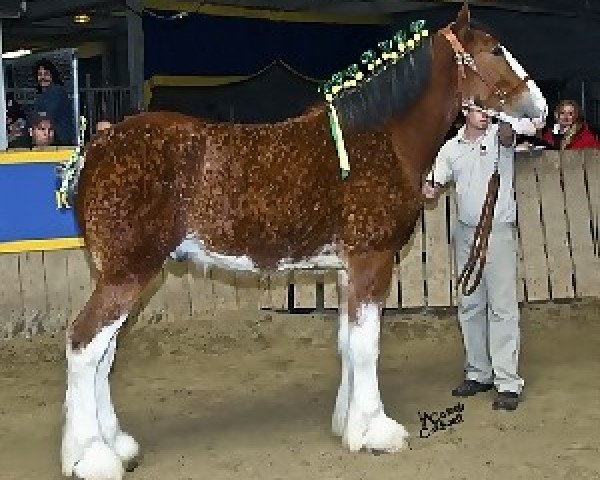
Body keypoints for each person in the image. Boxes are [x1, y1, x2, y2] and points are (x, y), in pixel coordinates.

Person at [422, 104, 524, 411]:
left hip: (497, 231)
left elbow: (508, 134)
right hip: (467, 233)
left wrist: (506, 112)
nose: (486, 116)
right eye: (480, 110)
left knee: (502, 307)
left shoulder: (499, 137)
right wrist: (426, 187)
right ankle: (479, 372)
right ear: (466, 110)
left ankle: (507, 382)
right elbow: (433, 184)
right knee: (470, 303)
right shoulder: (450, 149)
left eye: (489, 111)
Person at [33, 58, 75, 145]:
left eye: (46, 74)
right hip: (52, 138)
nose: (43, 77)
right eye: (40, 74)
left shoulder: (57, 91)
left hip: (59, 140)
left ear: (52, 76)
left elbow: (47, 115)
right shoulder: (42, 93)